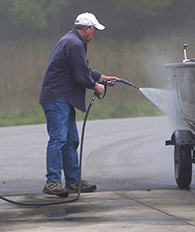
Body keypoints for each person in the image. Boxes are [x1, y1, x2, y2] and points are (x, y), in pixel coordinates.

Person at [39, 12, 118, 197]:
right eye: (94, 30)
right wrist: (95, 86)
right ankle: (52, 182)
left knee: (71, 140)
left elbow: (82, 68)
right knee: (58, 139)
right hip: (57, 98)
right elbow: (81, 74)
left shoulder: (73, 41)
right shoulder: (74, 43)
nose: (95, 35)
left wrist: (102, 77)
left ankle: (73, 181)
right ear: (87, 28)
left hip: (64, 99)